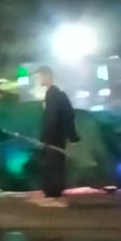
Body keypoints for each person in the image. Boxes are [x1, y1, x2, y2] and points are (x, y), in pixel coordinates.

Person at [35, 65, 78, 206]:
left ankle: (52, 191)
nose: (39, 80)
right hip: (58, 136)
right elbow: (68, 114)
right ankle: (55, 190)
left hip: (53, 138)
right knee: (57, 164)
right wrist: (72, 135)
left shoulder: (52, 94)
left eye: (40, 76)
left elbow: (51, 118)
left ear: (47, 76)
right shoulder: (57, 93)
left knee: (52, 164)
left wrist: (45, 138)